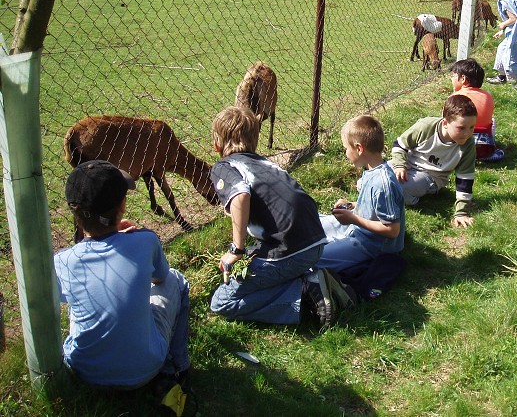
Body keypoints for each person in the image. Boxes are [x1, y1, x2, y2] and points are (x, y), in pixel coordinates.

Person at [209, 105, 351, 328]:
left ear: (217, 143)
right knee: (256, 267)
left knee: (222, 302)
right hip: (316, 241)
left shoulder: (224, 166)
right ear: (255, 139)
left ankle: (305, 291)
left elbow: (240, 195)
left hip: (290, 250)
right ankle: (310, 280)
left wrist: (236, 249)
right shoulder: (264, 163)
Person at [54, 160, 191, 390]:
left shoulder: (63, 261)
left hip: (84, 372)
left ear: (74, 212)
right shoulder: (146, 241)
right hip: (146, 369)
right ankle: (176, 366)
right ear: (123, 206)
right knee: (175, 279)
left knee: (77, 302)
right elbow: (159, 279)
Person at [317, 115, 405, 273]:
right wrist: (351, 205)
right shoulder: (371, 169)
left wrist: (353, 219)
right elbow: (374, 207)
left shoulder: (382, 184)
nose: (345, 153)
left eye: (346, 148)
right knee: (313, 223)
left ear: (359, 148)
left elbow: (392, 230)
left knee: (313, 259)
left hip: (372, 246)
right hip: (358, 229)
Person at [391, 94, 477, 228]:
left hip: (431, 176)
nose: (467, 133)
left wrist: (461, 212)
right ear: (445, 123)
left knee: (397, 189)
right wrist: (399, 165)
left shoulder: (468, 144)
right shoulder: (426, 127)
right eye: (461, 128)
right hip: (406, 165)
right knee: (370, 179)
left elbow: (465, 178)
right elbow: (399, 145)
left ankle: (413, 198)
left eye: (472, 127)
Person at [449, 58, 504, 162]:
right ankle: (490, 148)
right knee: (492, 120)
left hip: (457, 148)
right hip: (484, 148)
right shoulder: (488, 96)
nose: (451, 79)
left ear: (463, 79)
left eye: (453, 76)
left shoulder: (454, 98)